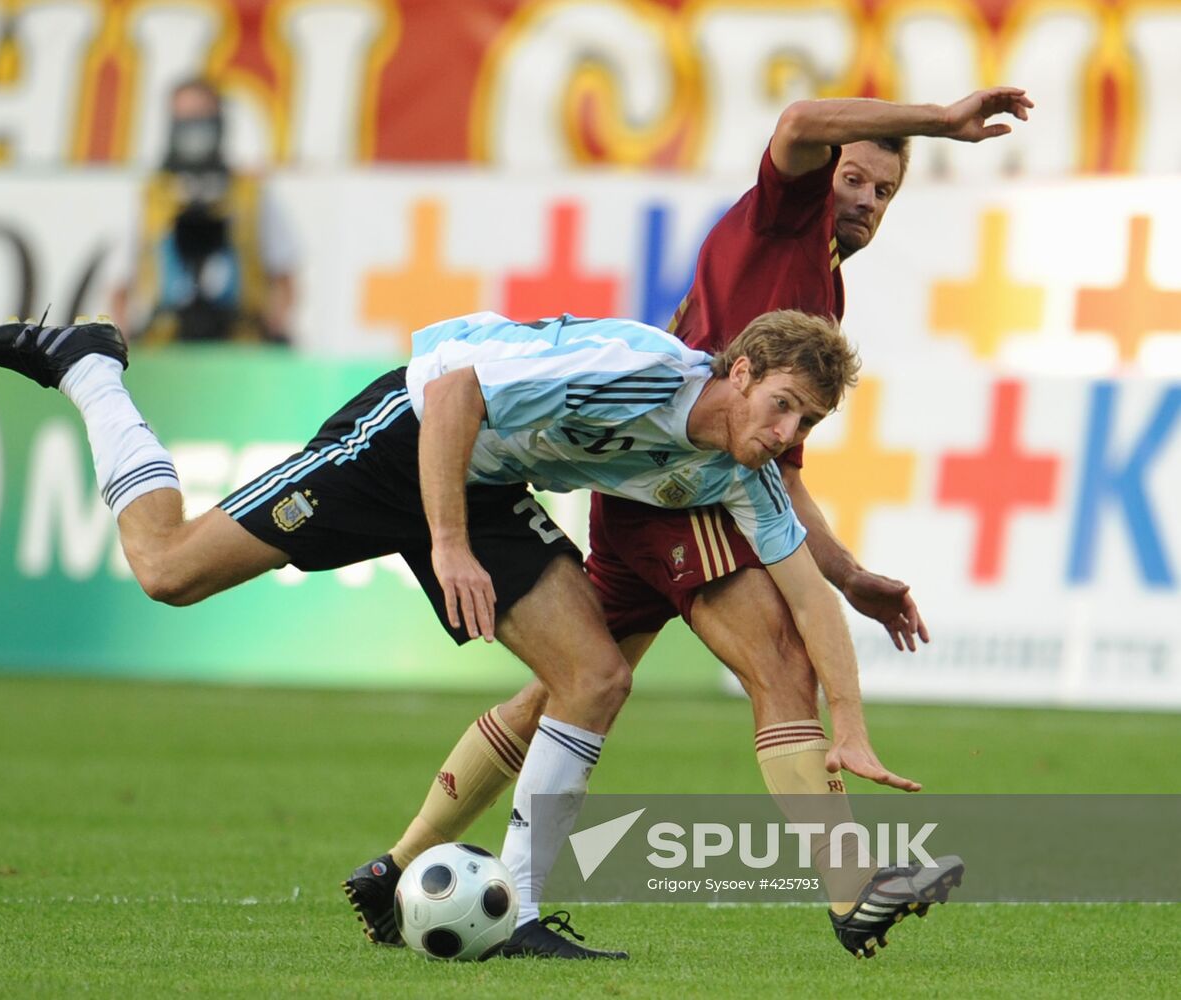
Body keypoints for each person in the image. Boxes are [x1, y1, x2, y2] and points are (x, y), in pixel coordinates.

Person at [0, 308, 959, 959]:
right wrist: (445, 543)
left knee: (595, 675)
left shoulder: (736, 472)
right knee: (166, 568)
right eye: (782, 406)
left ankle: (518, 915)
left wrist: (852, 723)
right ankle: (91, 368)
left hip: (483, 488)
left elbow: (806, 589)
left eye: (806, 425)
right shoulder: (634, 370)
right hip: (403, 440)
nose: (786, 435)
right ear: (739, 371)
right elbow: (452, 390)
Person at [345, 87, 1030, 958]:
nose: (863, 200)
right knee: (783, 668)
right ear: (828, 173)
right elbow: (792, 124)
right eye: (854, 177)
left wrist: (848, 573)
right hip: (682, 489)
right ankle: (853, 890)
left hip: (653, 495)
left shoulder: (822, 293)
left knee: (568, 688)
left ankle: (395, 864)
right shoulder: (782, 222)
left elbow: (781, 472)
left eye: (884, 193)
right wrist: (943, 121)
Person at [108, 77, 297, 345]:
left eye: (201, 116)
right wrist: (122, 344)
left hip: (241, 347)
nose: (194, 128)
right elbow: (119, 284)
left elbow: (285, 278)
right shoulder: (150, 196)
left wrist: (276, 331)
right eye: (185, 118)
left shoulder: (251, 194)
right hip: (165, 348)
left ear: (219, 120)